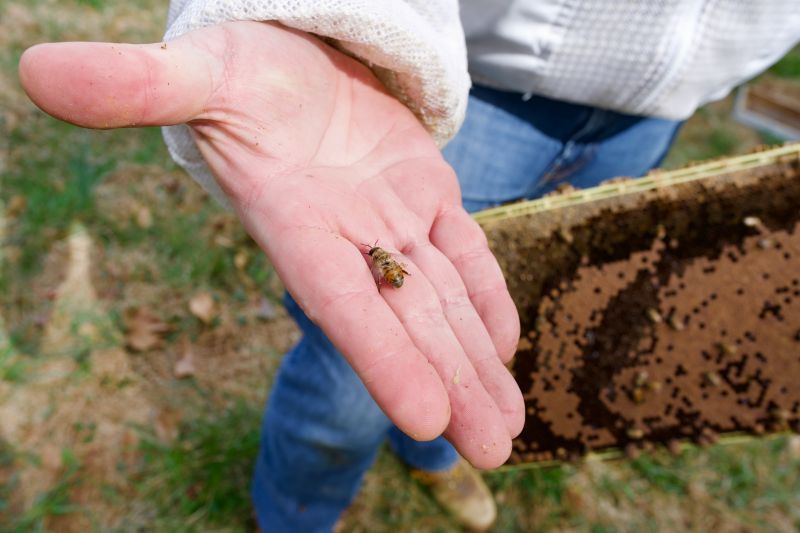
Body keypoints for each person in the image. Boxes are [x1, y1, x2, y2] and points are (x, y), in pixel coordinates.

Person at [19, 1, 800, 530]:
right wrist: (321, 22)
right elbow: (381, 264)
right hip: (462, 90)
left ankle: (430, 450)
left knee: (489, 324)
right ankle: (294, 510)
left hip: (657, 115)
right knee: (358, 364)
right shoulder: (385, 239)